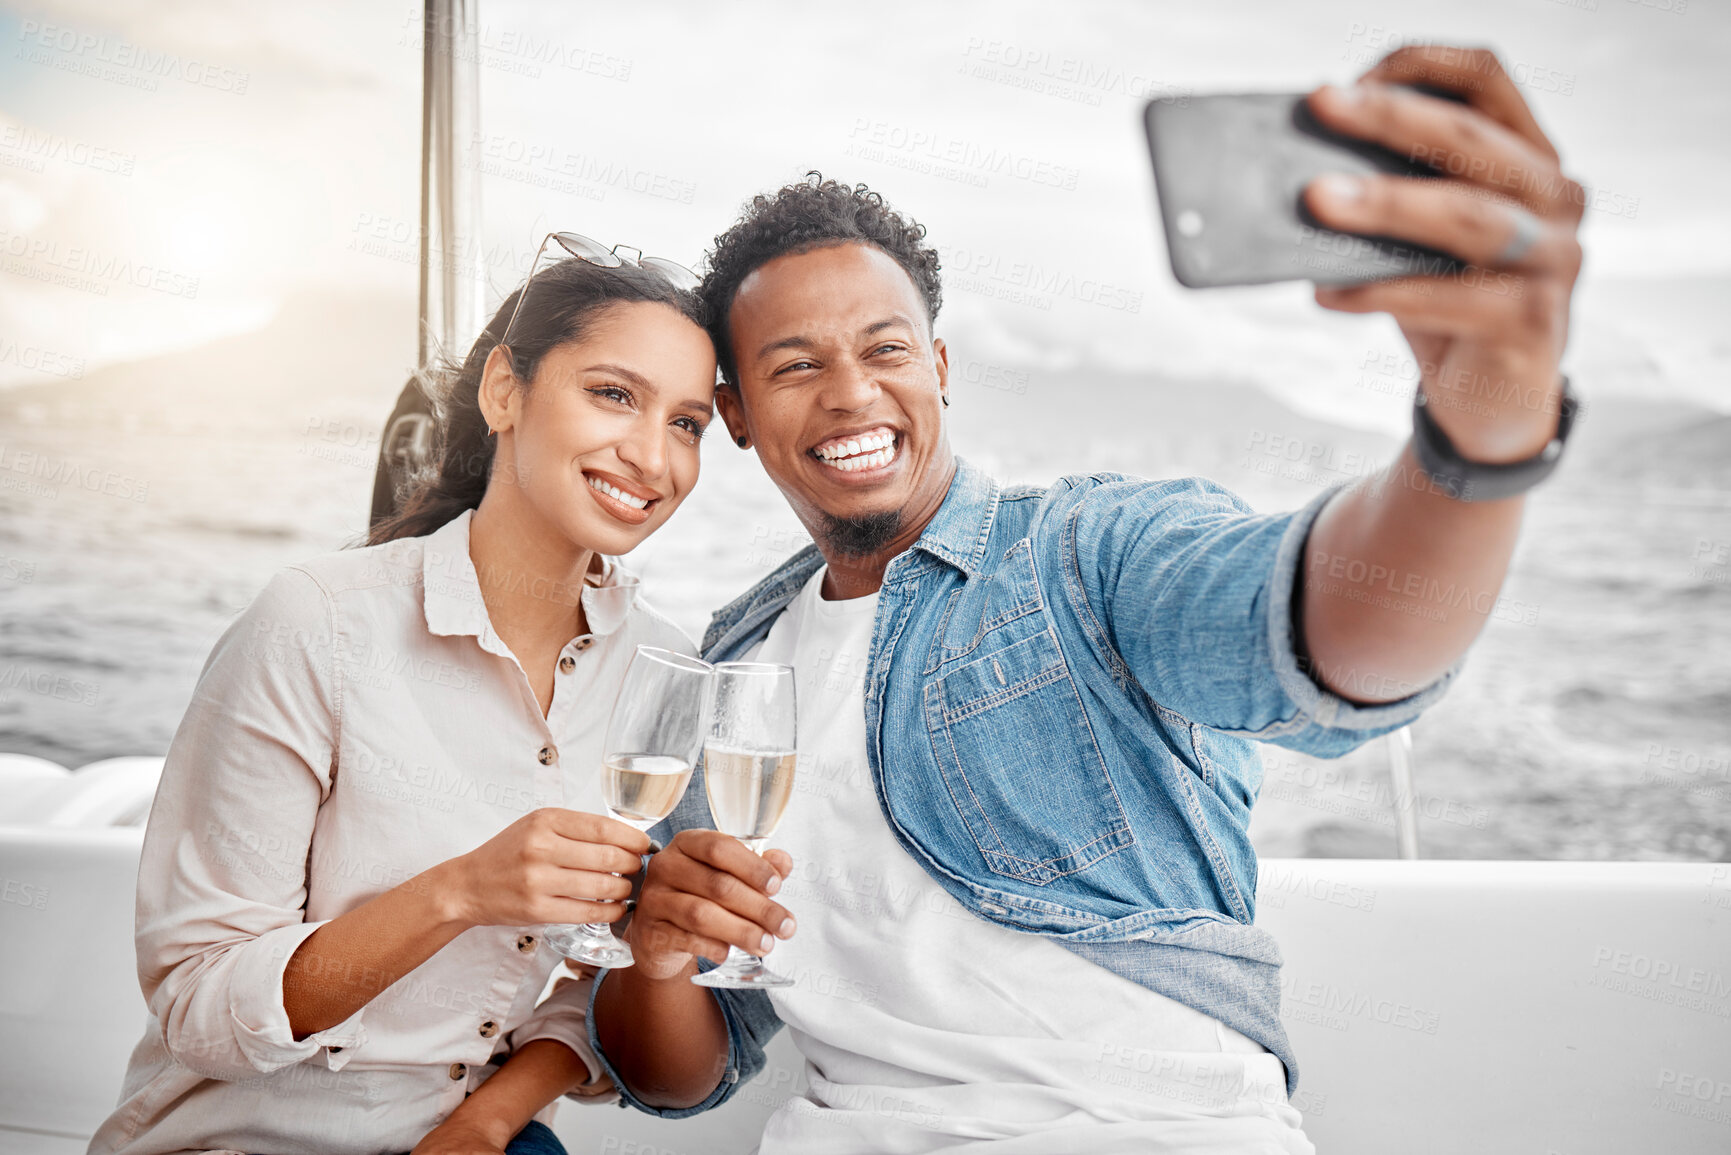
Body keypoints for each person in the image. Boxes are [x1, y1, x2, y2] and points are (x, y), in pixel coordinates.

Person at [587, 45, 1585, 1153]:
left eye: (887, 349)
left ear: (941, 367)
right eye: (795, 366)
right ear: (733, 412)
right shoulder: (730, 675)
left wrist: (1483, 428)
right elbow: (676, 1080)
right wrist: (657, 954)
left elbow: (1334, 639)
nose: (854, 392)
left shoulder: (1089, 552)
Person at [89, 251, 719, 1155]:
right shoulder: (315, 623)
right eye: (614, 394)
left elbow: (590, 975)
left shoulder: (664, 665)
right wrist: (460, 891)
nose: (654, 456)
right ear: (504, 389)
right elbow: (199, 1005)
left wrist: (487, 1120)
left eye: (688, 422)